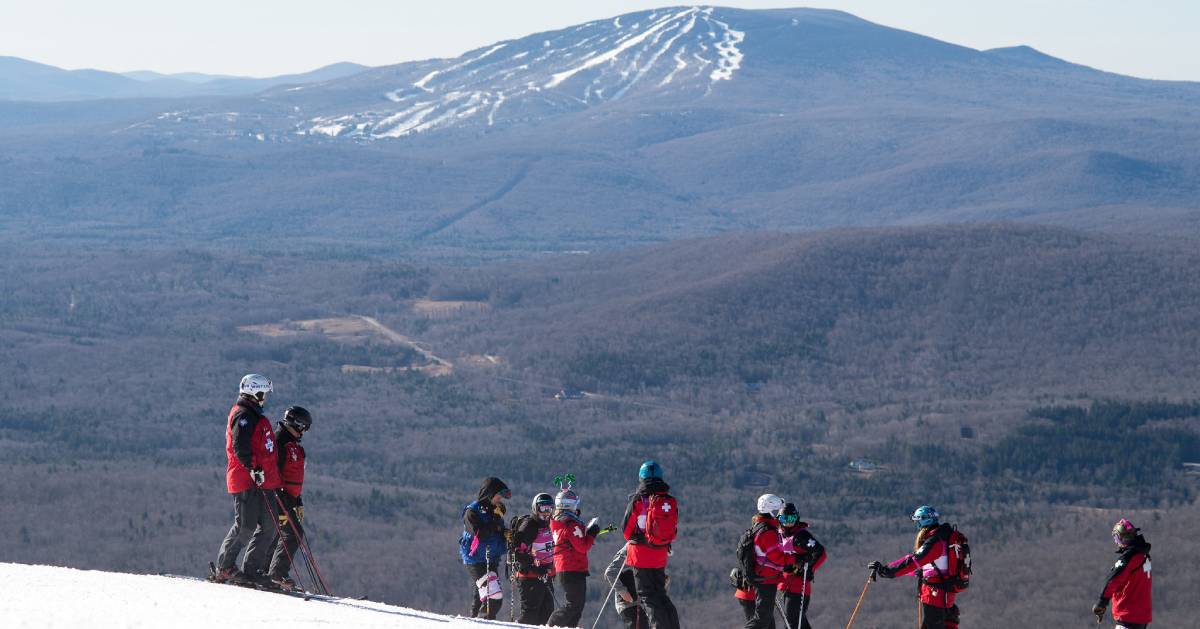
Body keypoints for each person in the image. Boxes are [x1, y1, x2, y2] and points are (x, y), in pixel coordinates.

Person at [211, 374, 283, 587]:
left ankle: (253, 569)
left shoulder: (253, 415)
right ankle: (225, 567)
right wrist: (255, 469)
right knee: (245, 525)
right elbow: (240, 447)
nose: (265, 398)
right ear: (255, 393)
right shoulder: (244, 416)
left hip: (260, 480)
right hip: (245, 479)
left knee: (269, 525)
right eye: (263, 394)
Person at [868, 506, 963, 629]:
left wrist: (887, 571)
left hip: (935, 595)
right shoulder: (945, 537)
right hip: (945, 593)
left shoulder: (935, 541)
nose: (917, 525)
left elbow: (914, 561)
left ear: (923, 521)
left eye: (917, 521)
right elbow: (922, 561)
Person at [621, 460, 680, 629]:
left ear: (641, 477)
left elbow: (626, 531)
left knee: (647, 596)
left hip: (640, 555)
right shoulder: (668, 500)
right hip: (660, 553)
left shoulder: (639, 500)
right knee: (661, 595)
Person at [266, 406, 312, 592]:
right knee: (292, 533)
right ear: (296, 424)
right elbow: (274, 474)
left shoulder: (293, 445)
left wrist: (297, 500)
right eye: (303, 427)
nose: (304, 432)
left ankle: (268, 574)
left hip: (289, 499)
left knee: (279, 535)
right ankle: (276, 574)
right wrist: (281, 499)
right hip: (279, 498)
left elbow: (293, 477)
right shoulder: (280, 443)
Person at [547, 486, 601, 627]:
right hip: (572, 567)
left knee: (577, 605)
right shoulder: (571, 524)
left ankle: (568, 626)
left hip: (566, 566)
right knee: (573, 605)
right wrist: (591, 534)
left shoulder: (558, 521)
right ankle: (552, 625)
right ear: (570, 505)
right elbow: (582, 546)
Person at [460, 477, 511, 619]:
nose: (500, 499)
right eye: (498, 495)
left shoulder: (495, 511)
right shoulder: (472, 512)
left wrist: (505, 534)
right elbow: (479, 534)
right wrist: (495, 523)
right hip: (475, 559)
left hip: (491, 558)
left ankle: (474, 620)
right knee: (493, 597)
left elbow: (497, 530)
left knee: (481, 597)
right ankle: (484, 622)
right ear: (489, 494)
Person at [743, 494, 793, 629]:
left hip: (763, 576)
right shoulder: (767, 531)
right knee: (762, 619)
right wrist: (794, 559)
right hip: (765, 578)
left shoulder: (760, 526)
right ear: (771, 509)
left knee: (767, 621)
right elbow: (775, 556)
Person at [1092, 519, 1151, 628]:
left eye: (1117, 538)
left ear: (1125, 538)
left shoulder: (1130, 558)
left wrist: (1102, 602)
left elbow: (1113, 578)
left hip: (1128, 615)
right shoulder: (1144, 556)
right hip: (1142, 618)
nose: (1116, 542)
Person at [511, 492, 557, 625]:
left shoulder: (549, 524)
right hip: (529, 576)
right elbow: (518, 552)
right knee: (530, 614)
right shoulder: (529, 525)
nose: (546, 512)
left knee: (547, 612)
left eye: (549, 508)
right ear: (535, 508)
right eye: (542, 508)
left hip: (545, 575)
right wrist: (535, 568)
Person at [777, 503, 826, 629]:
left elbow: (820, 552)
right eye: (784, 519)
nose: (788, 523)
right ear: (779, 519)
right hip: (786, 582)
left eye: (791, 520)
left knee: (792, 623)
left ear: (797, 518)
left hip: (799, 585)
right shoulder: (779, 534)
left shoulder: (801, 536)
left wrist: (809, 568)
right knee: (798, 621)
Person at [606, 546, 650, 629]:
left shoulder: (652, 546)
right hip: (629, 604)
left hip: (642, 603)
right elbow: (610, 572)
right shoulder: (631, 547)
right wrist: (623, 592)